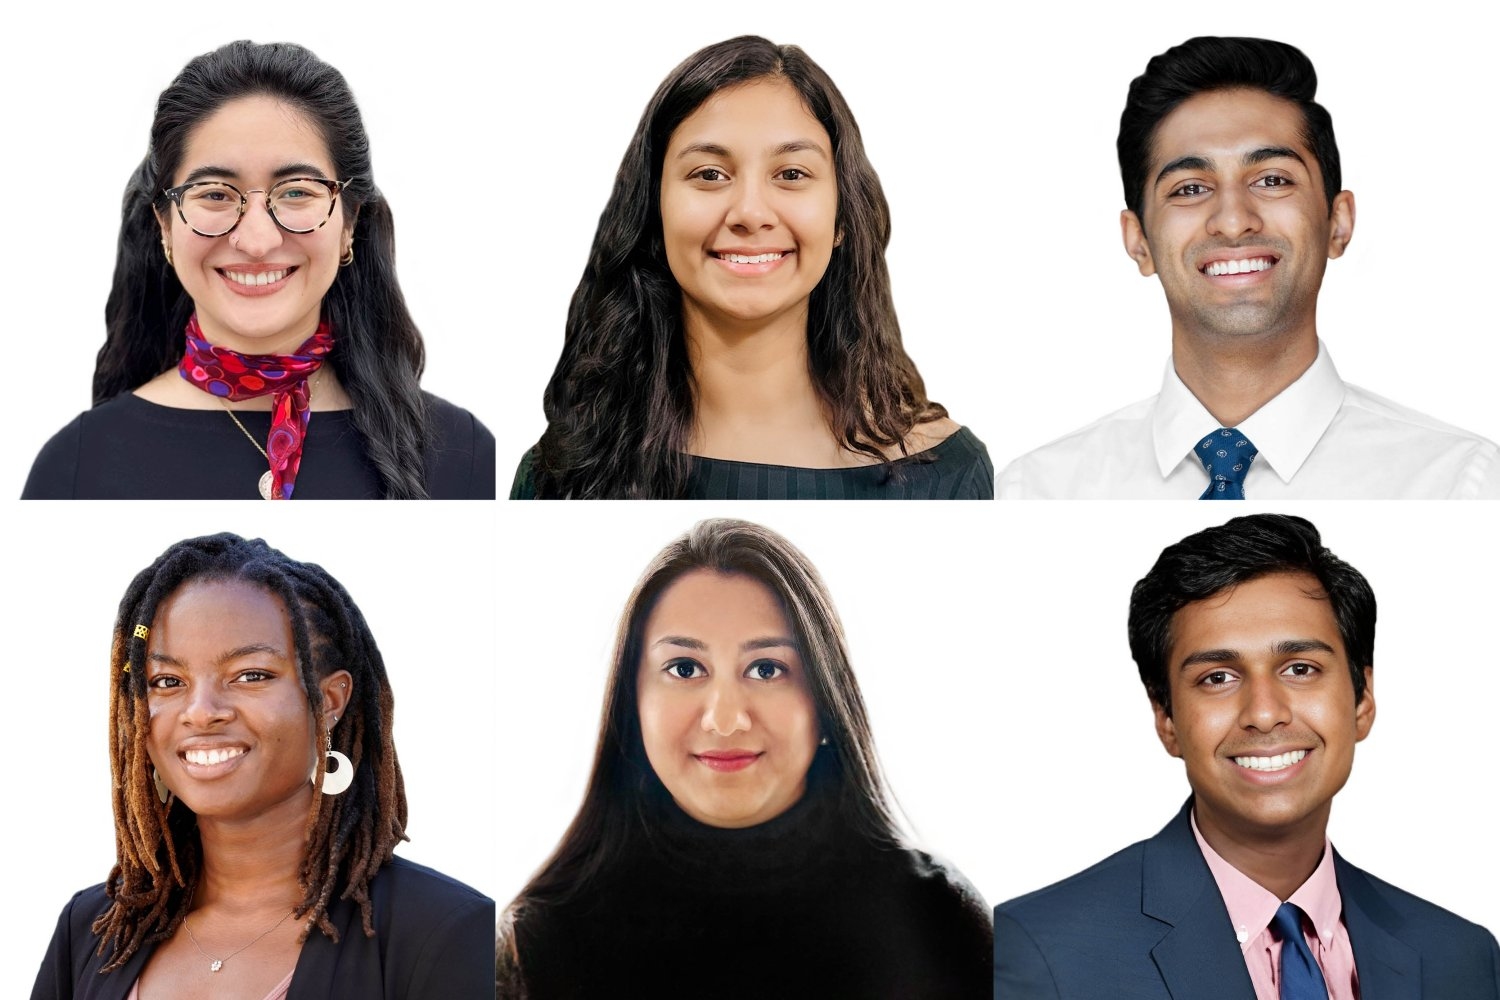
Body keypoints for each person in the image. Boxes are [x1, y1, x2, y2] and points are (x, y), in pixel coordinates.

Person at [994, 514, 1500, 998]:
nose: (1264, 713)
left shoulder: (1461, 957)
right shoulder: (1040, 950)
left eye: (1300, 669)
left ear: (1362, 699)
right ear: (1166, 718)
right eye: (1217, 678)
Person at [497, 519, 991, 996]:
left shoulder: (935, 919)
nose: (726, 718)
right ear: (633, 702)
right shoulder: (540, 941)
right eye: (685, 668)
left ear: (824, 699)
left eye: (766, 669)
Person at [999, 37, 1498, 499]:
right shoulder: (1034, 491)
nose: (1234, 221)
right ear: (1139, 242)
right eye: (1190, 188)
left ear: (1338, 223)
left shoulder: (1464, 485)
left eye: (1273, 179)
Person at [512, 36, 991, 499]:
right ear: (654, 213)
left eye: (791, 174)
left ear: (842, 218)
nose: (750, 212)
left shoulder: (949, 475)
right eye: (710, 174)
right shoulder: (563, 472)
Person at [22, 41, 495, 500]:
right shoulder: (77, 468)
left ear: (349, 222)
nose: (256, 241)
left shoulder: (464, 456)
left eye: (296, 192)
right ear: (164, 226)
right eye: (214, 194)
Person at [31, 533, 493, 999]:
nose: (201, 710)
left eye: (251, 675)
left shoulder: (443, 933)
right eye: (167, 681)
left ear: (329, 701)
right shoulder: (91, 930)